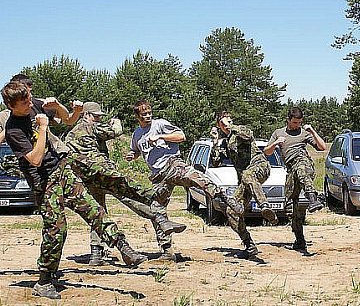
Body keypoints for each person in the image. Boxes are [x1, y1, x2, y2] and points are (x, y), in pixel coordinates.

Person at [1, 81, 147, 300]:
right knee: (57, 229)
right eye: (24, 102)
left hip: (61, 169)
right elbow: (35, 159)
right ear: (11, 106)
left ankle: (124, 247)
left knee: (92, 208)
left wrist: (58, 105)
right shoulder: (13, 130)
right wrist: (42, 128)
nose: (30, 103)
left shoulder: (34, 105)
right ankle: (44, 280)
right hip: (43, 181)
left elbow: (68, 118)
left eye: (30, 98)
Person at [65, 101, 176, 264]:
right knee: (130, 197)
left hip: (86, 177)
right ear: (87, 115)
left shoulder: (70, 135)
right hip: (103, 173)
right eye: (96, 117)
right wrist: (115, 120)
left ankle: (96, 254)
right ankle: (160, 219)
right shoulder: (90, 127)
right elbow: (117, 131)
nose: (98, 120)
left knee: (98, 212)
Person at [125, 100, 242, 252]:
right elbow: (136, 151)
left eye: (149, 113)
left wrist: (161, 137)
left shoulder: (160, 124)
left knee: (198, 179)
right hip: (158, 175)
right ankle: (166, 249)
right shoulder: (137, 134)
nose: (148, 116)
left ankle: (227, 199)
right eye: (144, 114)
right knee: (156, 210)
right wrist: (132, 155)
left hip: (173, 164)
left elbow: (181, 136)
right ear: (137, 116)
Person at [210, 111, 276, 258]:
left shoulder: (240, 131)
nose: (225, 125)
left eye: (228, 120)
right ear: (218, 125)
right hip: (246, 181)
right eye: (222, 123)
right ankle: (249, 245)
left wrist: (231, 126)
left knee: (248, 174)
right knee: (231, 211)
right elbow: (216, 161)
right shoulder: (226, 143)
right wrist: (215, 143)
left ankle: (264, 206)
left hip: (260, 167)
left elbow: (248, 135)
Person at [264, 107, 325, 252]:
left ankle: (312, 199)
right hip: (291, 170)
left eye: (299, 122)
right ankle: (299, 239)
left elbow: (322, 147)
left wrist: (312, 131)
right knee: (291, 207)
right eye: (295, 122)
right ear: (288, 120)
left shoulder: (304, 133)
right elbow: (267, 152)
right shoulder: (278, 133)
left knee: (301, 169)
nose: (297, 125)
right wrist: (276, 143)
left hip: (304, 163)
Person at [0, 73, 83, 155]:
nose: (29, 101)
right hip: (32, 160)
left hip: (58, 152)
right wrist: (10, 127)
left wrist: (71, 110)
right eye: (23, 95)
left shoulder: (38, 104)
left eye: (29, 94)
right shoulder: (2, 117)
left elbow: (68, 120)